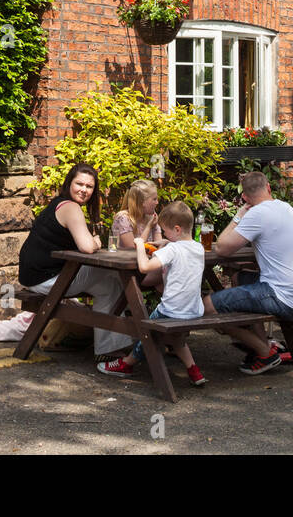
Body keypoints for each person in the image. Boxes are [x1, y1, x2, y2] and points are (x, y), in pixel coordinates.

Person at [203, 170, 293, 375]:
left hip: (283, 298)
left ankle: (265, 352)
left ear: (245, 197)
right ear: (269, 188)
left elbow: (222, 248)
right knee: (238, 278)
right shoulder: (286, 207)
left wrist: (239, 215)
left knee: (206, 308)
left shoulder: (257, 213)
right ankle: (264, 343)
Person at [18, 162, 134, 358]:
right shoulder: (70, 207)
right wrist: (96, 241)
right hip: (47, 280)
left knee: (108, 286)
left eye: (89, 187)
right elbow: (87, 246)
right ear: (69, 183)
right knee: (114, 275)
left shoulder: (59, 204)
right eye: (79, 184)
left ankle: (110, 346)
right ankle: (115, 344)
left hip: (36, 277)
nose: (84, 190)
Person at [99, 201, 207, 387]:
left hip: (171, 311)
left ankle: (127, 363)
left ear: (177, 229)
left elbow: (144, 267)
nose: (164, 235)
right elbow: (180, 248)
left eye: (166, 231)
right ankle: (194, 371)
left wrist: (140, 245)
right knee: (177, 339)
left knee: (147, 332)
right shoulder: (198, 247)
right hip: (194, 311)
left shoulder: (173, 249)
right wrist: (166, 242)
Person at [110, 179, 164, 250]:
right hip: (125, 260)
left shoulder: (151, 218)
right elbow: (134, 250)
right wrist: (148, 227)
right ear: (142, 202)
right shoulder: (123, 218)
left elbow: (159, 247)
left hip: (148, 260)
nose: (157, 202)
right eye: (154, 199)